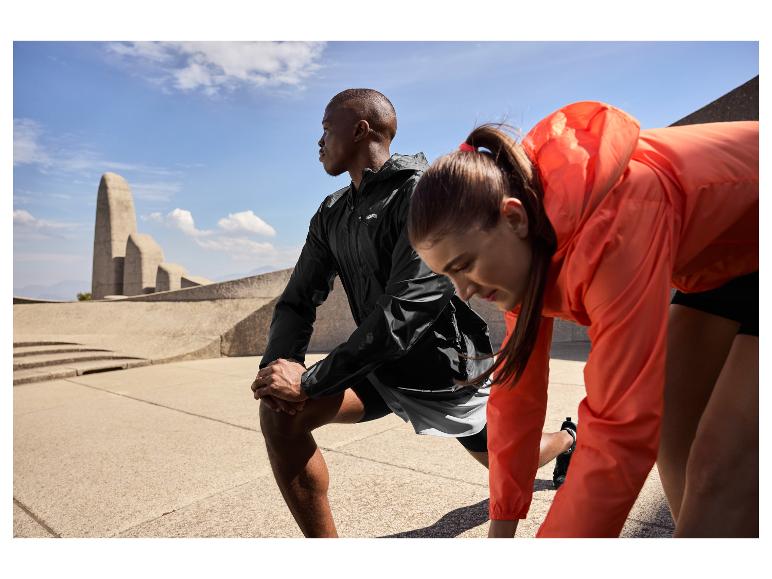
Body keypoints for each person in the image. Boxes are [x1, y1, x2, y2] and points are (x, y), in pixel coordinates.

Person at [407, 100, 758, 538]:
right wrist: (501, 529)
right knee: (676, 438)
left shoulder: (615, 223)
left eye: (464, 265)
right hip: (728, 255)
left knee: (720, 470)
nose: (463, 291)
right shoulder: (520, 256)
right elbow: (516, 396)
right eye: (448, 275)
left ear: (513, 217)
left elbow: (619, 427)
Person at [250, 88, 576, 538]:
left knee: (503, 456)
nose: (319, 141)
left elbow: (406, 309)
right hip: (372, 370)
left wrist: (308, 381)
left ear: (361, 129)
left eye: (326, 129)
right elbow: (298, 299)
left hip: (438, 368)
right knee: (281, 414)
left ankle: (568, 440)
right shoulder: (330, 213)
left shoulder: (423, 193)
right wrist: (277, 373)